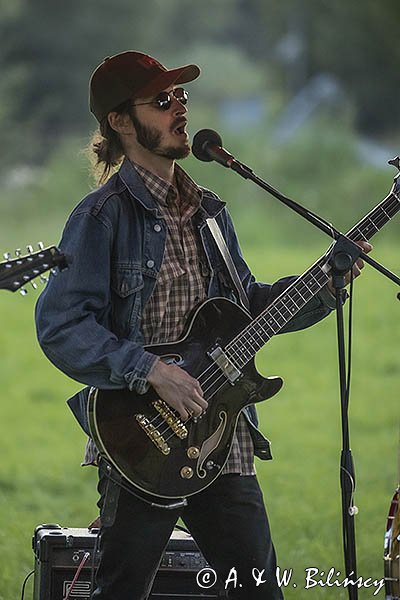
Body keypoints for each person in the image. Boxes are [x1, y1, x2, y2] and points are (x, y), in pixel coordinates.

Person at [35, 51, 371, 600]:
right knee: (121, 590)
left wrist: (327, 285)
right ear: (120, 121)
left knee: (260, 592)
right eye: (163, 101)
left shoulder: (211, 210)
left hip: (224, 439)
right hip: (142, 442)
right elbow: (60, 325)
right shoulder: (102, 217)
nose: (180, 110)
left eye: (182, 98)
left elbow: (247, 304)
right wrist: (150, 371)